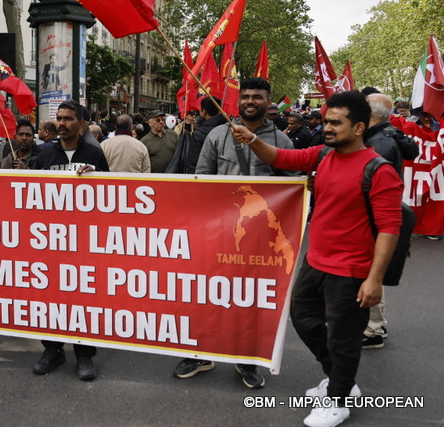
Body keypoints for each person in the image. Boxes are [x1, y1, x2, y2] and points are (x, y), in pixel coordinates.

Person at [230, 90, 402, 427]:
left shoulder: (378, 170)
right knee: (303, 319)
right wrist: (251, 139)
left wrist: (375, 279)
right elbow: (280, 158)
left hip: (351, 271)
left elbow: (389, 229)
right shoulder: (323, 155)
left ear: (359, 128)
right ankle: (339, 379)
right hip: (315, 262)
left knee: (343, 337)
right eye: (325, 121)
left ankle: (338, 399)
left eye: (336, 123)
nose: (327, 127)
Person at [177, 77, 297, 389]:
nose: (250, 101)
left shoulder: (282, 142)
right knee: (207, 294)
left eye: (257, 96)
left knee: (252, 300)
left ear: (268, 102)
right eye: (245, 96)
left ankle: (247, 360)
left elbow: (295, 186)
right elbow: (202, 177)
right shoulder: (218, 135)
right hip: (221, 233)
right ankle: (199, 353)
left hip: (262, 239)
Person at [33, 99, 108, 381]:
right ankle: (52, 349)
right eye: (59, 118)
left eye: (67, 119)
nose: (61, 123)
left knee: (83, 299)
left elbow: (111, 195)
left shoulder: (94, 152)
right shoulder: (45, 154)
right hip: (51, 242)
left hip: (84, 243)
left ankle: (84, 353)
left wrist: (97, 177)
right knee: (50, 296)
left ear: (82, 124)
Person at [361, 93, 419, 349]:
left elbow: (369, 182)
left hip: (375, 214)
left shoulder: (379, 142)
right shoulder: (388, 134)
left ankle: (374, 329)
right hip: (382, 212)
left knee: (371, 269)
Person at [167, 96, 227, 174]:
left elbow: (193, 163)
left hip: (205, 178)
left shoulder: (199, 134)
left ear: (204, 111)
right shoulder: (229, 129)